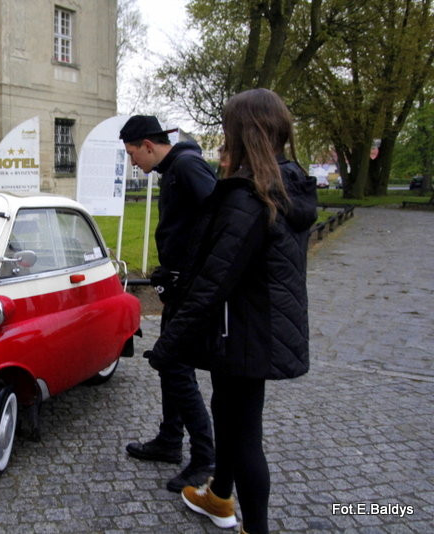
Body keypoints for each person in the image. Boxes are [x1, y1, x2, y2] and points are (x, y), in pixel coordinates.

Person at [146, 89, 317, 533]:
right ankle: (220, 497)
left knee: (245, 439)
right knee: (231, 415)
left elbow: (214, 282)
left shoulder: (249, 195)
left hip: (241, 331)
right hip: (255, 327)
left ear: (242, 132)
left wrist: (169, 344)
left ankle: (253, 528)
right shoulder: (286, 183)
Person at [119, 115, 217, 492]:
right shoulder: (175, 168)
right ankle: (170, 440)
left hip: (190, 290)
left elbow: (219, 221)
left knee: (174, 365)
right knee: (169, 365)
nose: (133, 163)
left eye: (132, 154)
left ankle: (205, 458)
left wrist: (190, 273)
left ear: (148, 144)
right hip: (178, 287)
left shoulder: (188, 166)